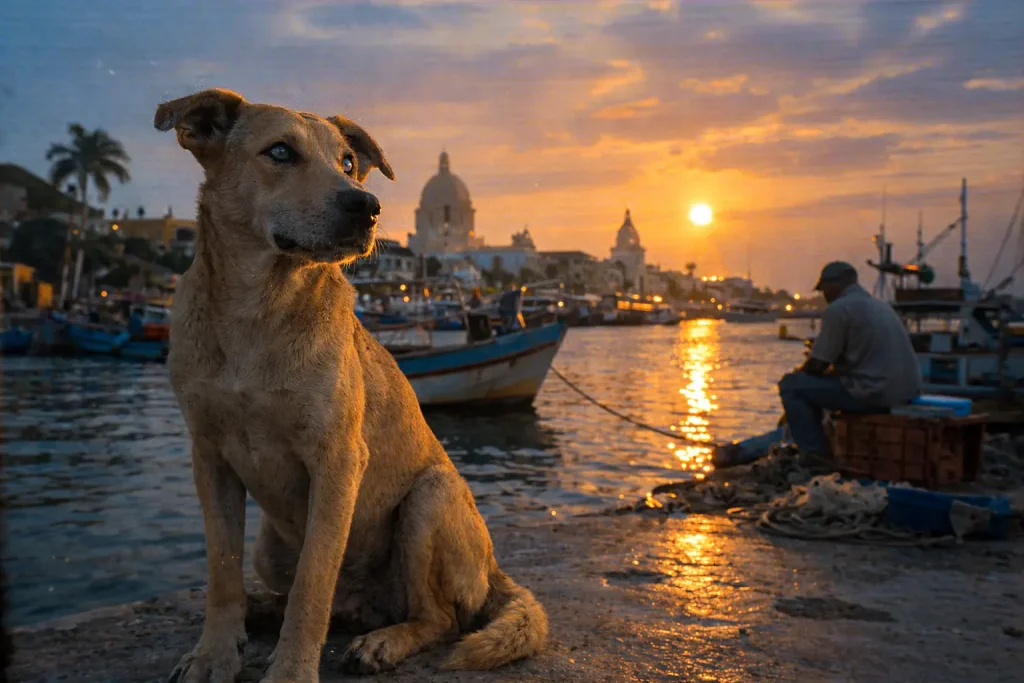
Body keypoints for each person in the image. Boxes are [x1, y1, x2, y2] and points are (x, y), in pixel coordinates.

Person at [778, 261, 921, 461]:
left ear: (834, 285)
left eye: (824, 289)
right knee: (813, 385)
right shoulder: (882, 306)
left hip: (875, 393)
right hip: (907, 392)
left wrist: (799, 375)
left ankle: (814, 455)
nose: (824, 295)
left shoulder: (839, 309)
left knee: (791, 386)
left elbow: (816, 366)